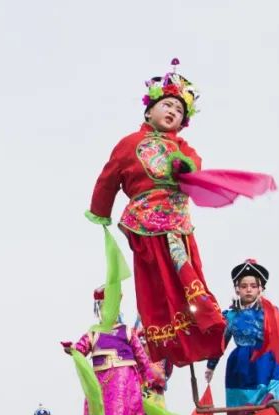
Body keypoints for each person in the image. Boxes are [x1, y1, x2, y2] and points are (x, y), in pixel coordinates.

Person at [86, 60, 229, 368]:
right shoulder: (129, 144)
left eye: (179, 110)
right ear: (149, 111)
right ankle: (165, 333)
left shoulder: (183, 147)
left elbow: (195, 167)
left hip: (176, 222)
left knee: (185, 270)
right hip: (144, 221)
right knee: (156, 281)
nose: (172, 112)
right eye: (167, 105)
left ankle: (202, 316)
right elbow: (108, 178)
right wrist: (100, 210)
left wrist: (184, 166)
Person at [65, 288, 162, 415]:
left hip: (125, 379)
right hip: (102, 381)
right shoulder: (93, 333)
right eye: (104, 307)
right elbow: (81, 347)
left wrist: (148, 376)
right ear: (99, 309)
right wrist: (72, 349)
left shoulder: (127, 331)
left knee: (123, 412)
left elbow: (141, 355)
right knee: (104, 414)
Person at [204, 259, 279, 415]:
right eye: (244, 286)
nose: (248, 290)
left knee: (268, 413)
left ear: (260, 289)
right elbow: (221, 343)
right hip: (240, 367)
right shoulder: (230, 316)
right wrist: (211, 366)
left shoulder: (270, 313)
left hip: (266, 363)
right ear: (237, 289)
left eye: (253, 286)